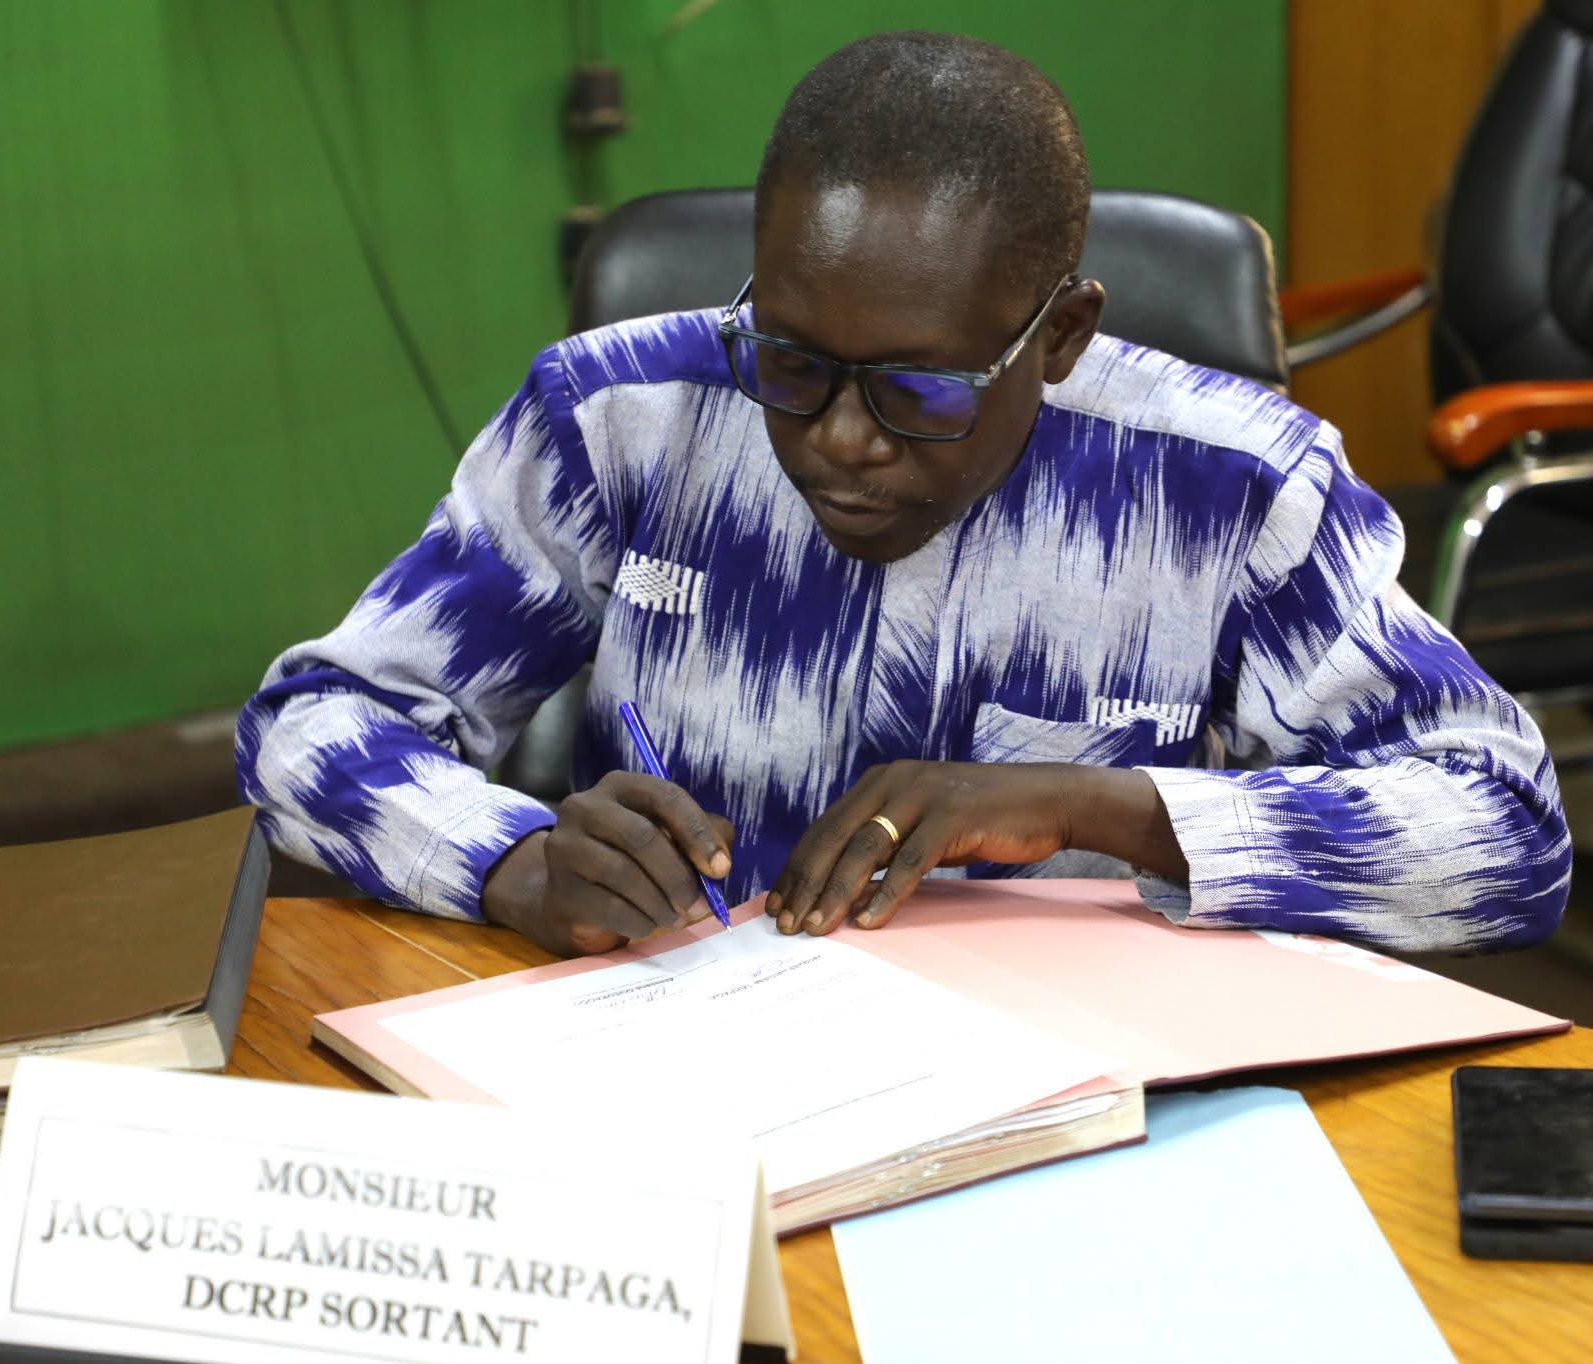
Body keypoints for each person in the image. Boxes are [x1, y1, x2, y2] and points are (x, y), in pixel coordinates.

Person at [237, 31, 1569, 959]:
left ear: (1058, 337)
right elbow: (314, 722)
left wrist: (1095, 805)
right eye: (791, 364)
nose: (840, 440)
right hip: (687, 1074)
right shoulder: (619, 421)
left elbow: (1506, 830)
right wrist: (510, 859)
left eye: (918, 392)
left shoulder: (1236, 490)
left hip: (1080, 1110)